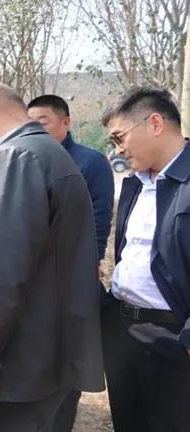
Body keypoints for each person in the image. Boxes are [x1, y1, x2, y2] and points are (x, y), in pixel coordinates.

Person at [0, 81, 105, 431]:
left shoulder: (16, 159)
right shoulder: (43, 152)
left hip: (12, 372)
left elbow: (0, 279)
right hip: (38, 362)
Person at [101, 87, 190, 432]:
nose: (117, 149)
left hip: (173, 337)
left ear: (155, 123)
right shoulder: (135, 183)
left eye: (119, 137)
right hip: (122, 330)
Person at [27, 94, 115, 431]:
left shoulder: (90, 162)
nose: (35, 129)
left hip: (71, 279)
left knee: (68, 358)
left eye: (43, 122)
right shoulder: (26, 159)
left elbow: (98, 221)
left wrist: (85, 266)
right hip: (32, 279)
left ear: (66, 122)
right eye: (29, 123)